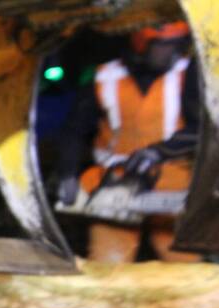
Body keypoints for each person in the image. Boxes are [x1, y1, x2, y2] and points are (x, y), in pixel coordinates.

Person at [55, 21, 201, 263]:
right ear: (141, 44)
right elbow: (74, 130)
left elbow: (204, 127)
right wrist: (67, 173)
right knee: (108, 267)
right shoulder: (105, 76)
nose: (170, 53)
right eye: (163, 46)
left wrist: (159, 152)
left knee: (186, 268)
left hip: (173, 187)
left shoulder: (190, 76)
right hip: (116, 185)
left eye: (175, 46)